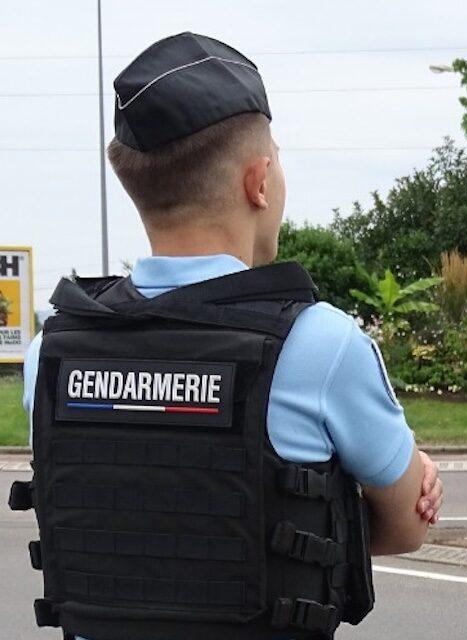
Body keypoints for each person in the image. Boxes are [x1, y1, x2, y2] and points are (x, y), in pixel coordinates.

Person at [8, 32, 442, 639]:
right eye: (278, 161)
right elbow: (405, 525)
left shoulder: (50, 353)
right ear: (258, 181)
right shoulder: (319, 343)